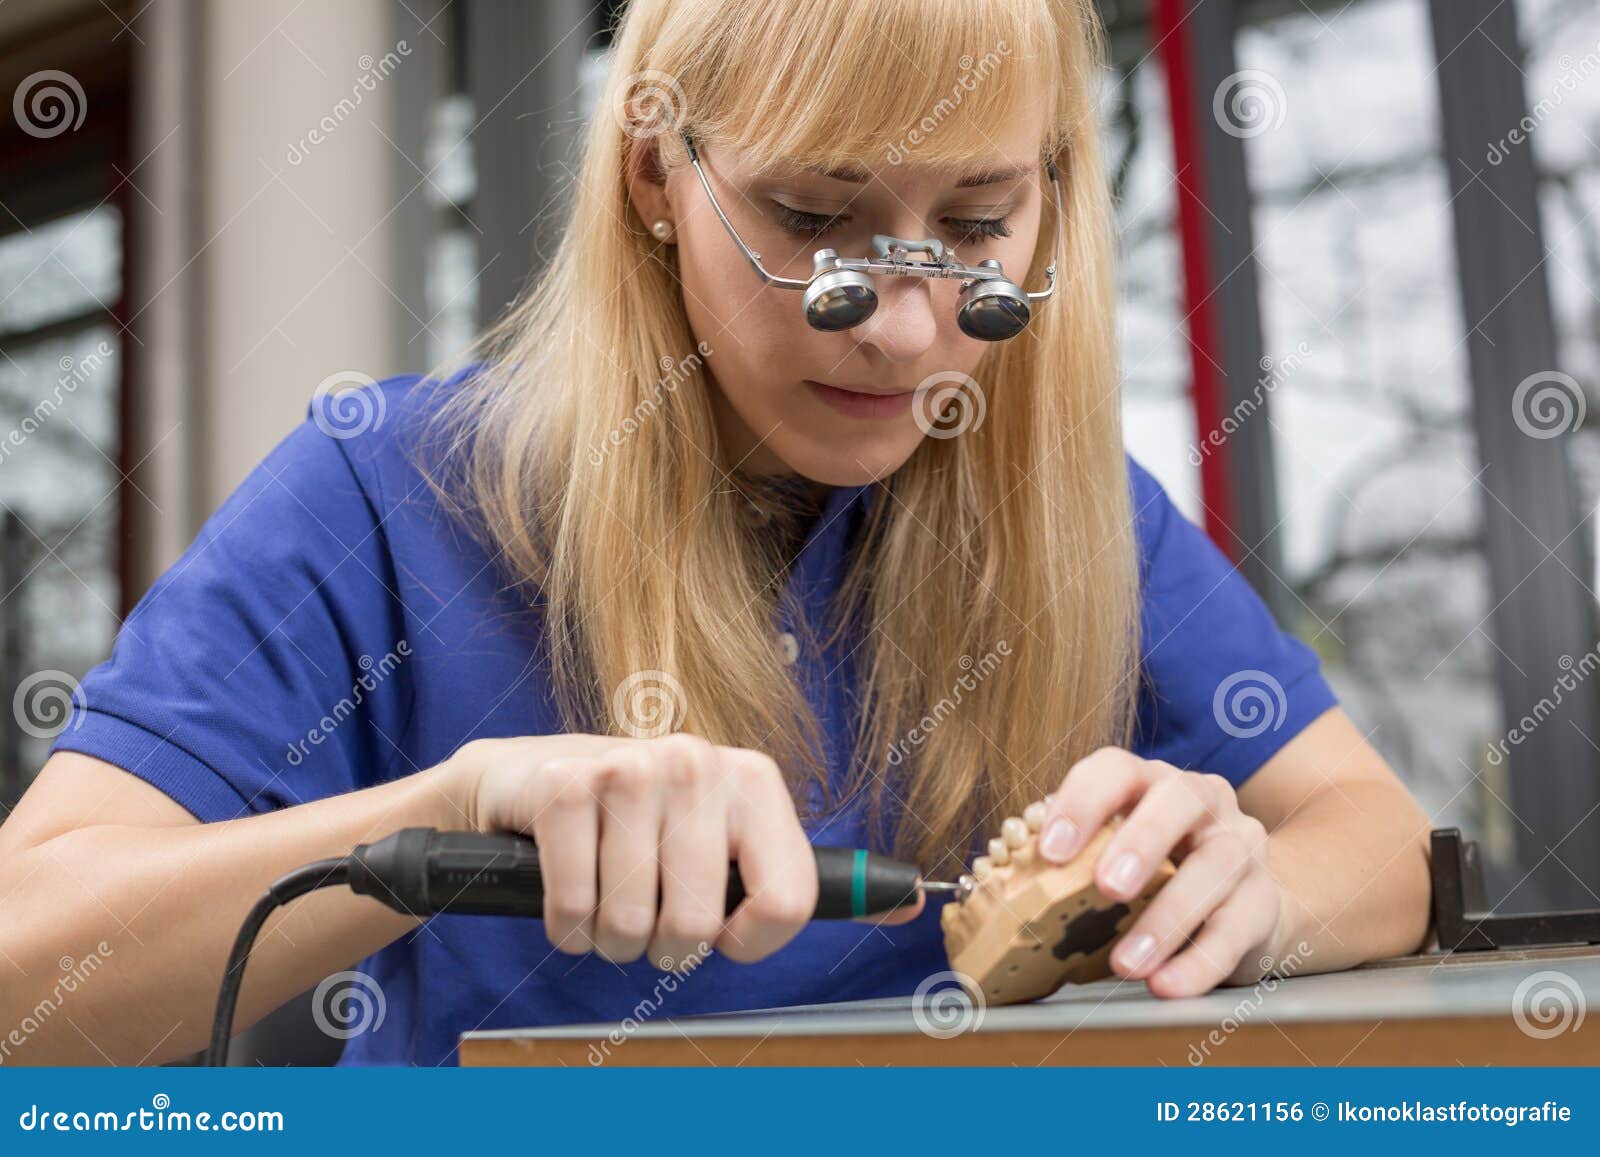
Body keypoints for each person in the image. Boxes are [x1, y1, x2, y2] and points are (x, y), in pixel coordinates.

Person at [0, 0, 1431, 1066]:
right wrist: (442, 815)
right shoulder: (382, 494)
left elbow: (1379, 838)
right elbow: (23, 980)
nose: (909, 329)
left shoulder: (1065, 517)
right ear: (654, 178)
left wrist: (1258, 894)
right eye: (815, 217)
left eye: (980, 223)